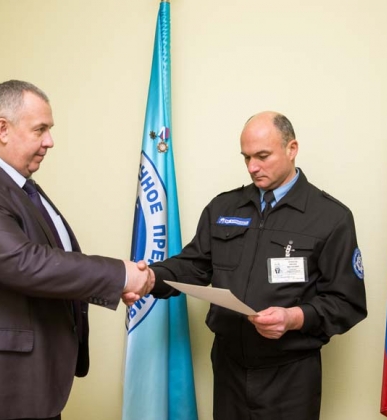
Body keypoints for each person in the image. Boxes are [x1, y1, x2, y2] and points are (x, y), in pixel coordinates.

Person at [0, 80, 153, 420]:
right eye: (40, 129)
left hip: (30, 386)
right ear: (3, 129)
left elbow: (55, 264)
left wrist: (115, 282)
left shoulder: (21, 188)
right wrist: (120, 275)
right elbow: (25, 264)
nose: (50, 141)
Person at [149, 111, 367, 419]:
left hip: (290, 375)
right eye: (246, 157)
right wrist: (150, 278)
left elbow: (347, 302)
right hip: (229, 368)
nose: (252, 167)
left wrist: (294, 317)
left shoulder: (330, 217)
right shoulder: (224, 207)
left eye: (263, 156)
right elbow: (193, 266)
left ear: (292, 149)